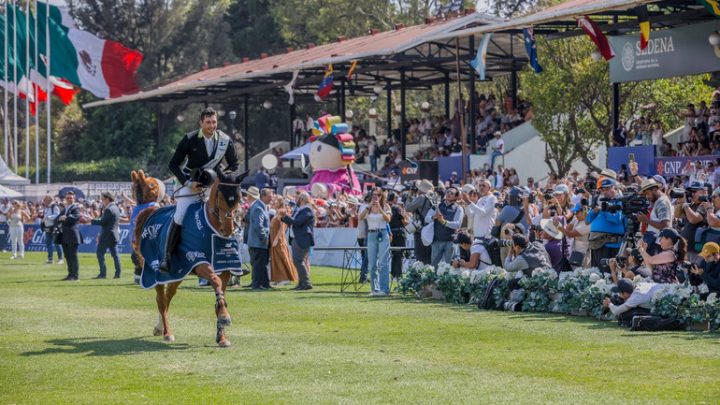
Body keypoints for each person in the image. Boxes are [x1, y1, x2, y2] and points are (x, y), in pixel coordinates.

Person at [164, 107, 239, 272]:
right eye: (208, 122)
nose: (211, 126)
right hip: (190, 185)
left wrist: (221, 177)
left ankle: (230, 258)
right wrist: (188, 183)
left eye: (214, 122)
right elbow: (173, 164)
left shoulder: (225, 140)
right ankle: (167, 257)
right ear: (201, 123)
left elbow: (234, 164)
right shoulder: (189, 138)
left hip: (211, 186)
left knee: (225, 212)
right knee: (180, 216)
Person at [358, 188, 391, 296]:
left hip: (383, 233)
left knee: (383, 263)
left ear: (382, 196)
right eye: (373, 195)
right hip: (371, 234)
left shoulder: (386, 206)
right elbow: (360, 217)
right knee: (372, 264)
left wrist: (380, 209)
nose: (375, 197)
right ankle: (375, 289)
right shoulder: (366, 206)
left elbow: (388, 219)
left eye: (378, 195)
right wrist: (369, 206)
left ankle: (384, 289)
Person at [586, 179, 626, 267]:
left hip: (611, 245)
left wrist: (605, 210)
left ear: (615, 188)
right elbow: (588, 220)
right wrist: (595, 210)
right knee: (596, 274)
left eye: (607, 189)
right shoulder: (602, 202)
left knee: (608, 274)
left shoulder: (620, 202)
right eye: (602, 189)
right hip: (597, 243)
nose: (604, 192)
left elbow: (616, 219)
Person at [280, 191, 315, 291]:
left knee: (298, 261)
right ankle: (301, 283)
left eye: (298, 198)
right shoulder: (301, 209)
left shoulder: (307, 210)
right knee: (298, 261)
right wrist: (284, 217)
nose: (296, 199)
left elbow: (297, 222)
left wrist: (285, 217)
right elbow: (294, 221)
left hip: (302, 239)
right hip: (297, 238)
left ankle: (306, 283)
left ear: (302, 199)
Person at [426, 186, 464, 266]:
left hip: (451, 242)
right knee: (434, 267)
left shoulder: (459, 208)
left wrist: (444, 222)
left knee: (451, 268)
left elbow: (457, 225)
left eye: (452, 193)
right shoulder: (437, 205)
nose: (449, 194)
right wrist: (433, 217)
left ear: (456, 196)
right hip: (436, 241)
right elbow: (426, 219)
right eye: (447, 192)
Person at [91, 192, 122, 279]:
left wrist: (92, 220)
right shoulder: (115, 207)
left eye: (103, 199)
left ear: (107, 199)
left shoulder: (109, 209)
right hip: (114, 234)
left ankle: (103, 274)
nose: (102, 201)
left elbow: (102, 222)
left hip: (107, 235)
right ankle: (118, 274)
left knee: (100, 254)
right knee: (115, 255)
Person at [269, 197, 298, 286]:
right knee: (276, 258)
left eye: (276, 200)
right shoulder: (277, 211)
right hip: (274, 237)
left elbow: (282, 227)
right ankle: (278, 278)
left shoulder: (282, 211)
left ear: (280, 202)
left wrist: (277, 239)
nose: (273, 201)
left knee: (282, 257)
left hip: (279, 239)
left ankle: (286, 278)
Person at [678, 181, 710, 262]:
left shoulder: (705, 205)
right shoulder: (690, 205)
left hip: (696, 250)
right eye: (691, 191)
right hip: (685, 247)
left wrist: (684, 204)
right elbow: (676, 214)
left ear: (703, 192)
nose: (692, 194)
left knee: (695, 272)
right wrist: (679, 201)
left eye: (694, 191)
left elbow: (694, 219)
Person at [248, 188, 273, 290]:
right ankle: (257, 285)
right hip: (258, 242)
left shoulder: (260, 206)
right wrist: (264, 238)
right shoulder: (259, 208)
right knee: (259, 264)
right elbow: (259, 226)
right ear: (262, 196)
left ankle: (264, 284)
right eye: (269, 196)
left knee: (262, 264)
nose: (271, 198)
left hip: (256, 242)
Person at [405, 180, 434, 264]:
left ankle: (421, 274)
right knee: (429, 255)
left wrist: (409, 196)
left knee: (420, 256)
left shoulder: (421, 197)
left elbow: (408, 208)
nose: (416, 189)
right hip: (430, 229)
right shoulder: (434, 197)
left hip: (420, 230)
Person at [57, 192, 82, 281]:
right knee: (67, 256)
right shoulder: (64, 208)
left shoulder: (76, 208)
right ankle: (70, 274)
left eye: (71, 198)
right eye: (68, 198)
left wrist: (65, 218)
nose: (69, 199)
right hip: (65, 235)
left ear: (74, 199)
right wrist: (61, 218)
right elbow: (57, 218)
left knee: (73, 256)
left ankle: (75, 275)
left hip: (73, 235)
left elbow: (75, 218)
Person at [387, 192, 408, 280]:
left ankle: (393, 275)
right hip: (399, 234)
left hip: (391, 234)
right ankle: (398, 275)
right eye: (396, 197)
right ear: (394, 198)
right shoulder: (396, 208)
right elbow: (404, 222)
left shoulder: (387, 207)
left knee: (394, 255)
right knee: (399, 255)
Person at [40, 195, 63, 264]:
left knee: (57, 243)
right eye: (44, 200)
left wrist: (48, 217)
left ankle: (60, 259)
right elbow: (44, 216)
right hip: (47, 227)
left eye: (46, 200)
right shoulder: (46, 208)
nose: (44, 201)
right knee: (48, 243)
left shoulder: (54, 206)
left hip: (54, 227)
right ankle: (50, 259)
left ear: (50, 200)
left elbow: (57, 215)